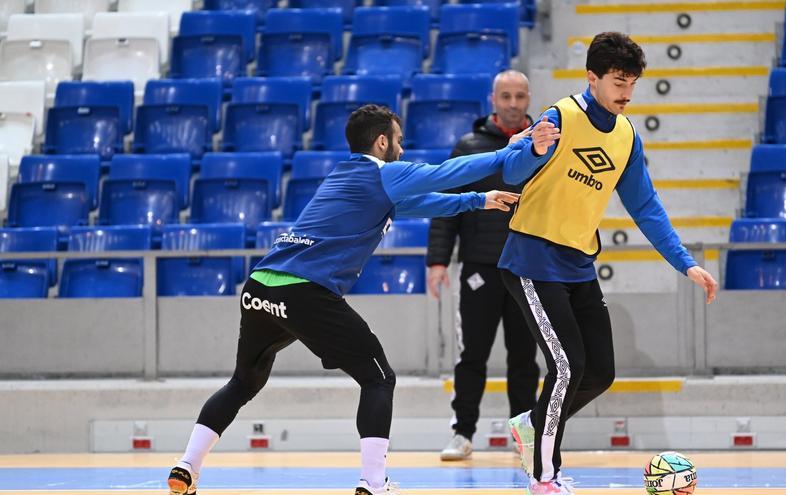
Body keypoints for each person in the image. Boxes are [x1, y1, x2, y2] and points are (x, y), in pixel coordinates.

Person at [165, 104, 560, 495]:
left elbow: (421, 202)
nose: (402, 150)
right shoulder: (384, 174)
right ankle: (372, 483)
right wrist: (510, 150)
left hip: (260, 288)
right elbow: (446, 172)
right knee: (379, 378)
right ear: (382, 141)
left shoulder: (345, 176)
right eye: (399, 142)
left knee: (242, 382)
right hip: (305, 290)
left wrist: (480, 200)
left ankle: (187, 466)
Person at [497, 33, 719, 495]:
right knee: (566, 368)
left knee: (599, 372)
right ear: (592, 77)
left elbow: (647, 207)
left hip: (578, 263)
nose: (626, 93)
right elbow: (512, 173)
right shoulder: (561, 116)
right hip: (532, 259)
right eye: (618, 81)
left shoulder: (625, 136)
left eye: (632, 83)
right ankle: (545, 477)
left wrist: (685, 263)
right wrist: (534, 148)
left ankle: (532, 425)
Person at [426, 70, 540, 461]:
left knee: (524, 357)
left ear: (528, 98)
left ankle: (525, 436)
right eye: (505, 96)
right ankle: (462, 432)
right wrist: (438, 261)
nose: (512, 103)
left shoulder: (545, 146)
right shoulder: (469, 146)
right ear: (493, 99)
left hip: (529, 268)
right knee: (471, 354)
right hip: (479, 268)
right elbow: (445, 207)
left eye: (519, 96)